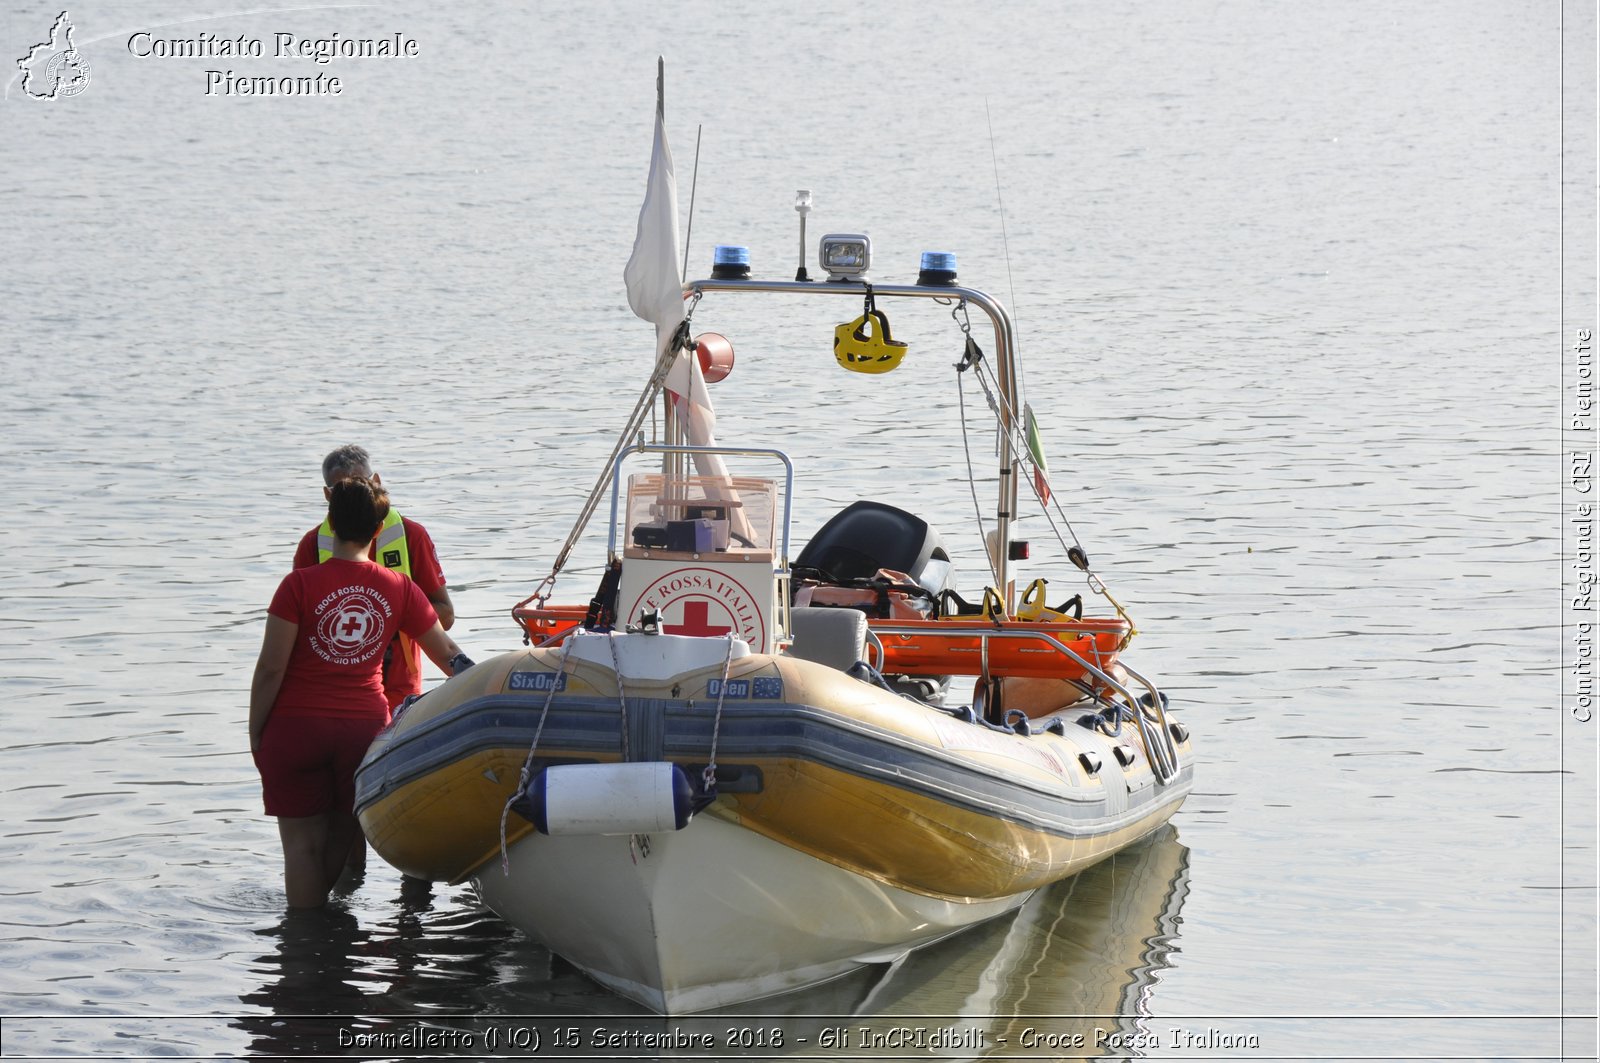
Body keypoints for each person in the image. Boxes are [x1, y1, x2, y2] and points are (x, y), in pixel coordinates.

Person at [251, 476, 474, 908]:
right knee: (342, 831)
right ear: (377, 530)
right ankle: (324, 933)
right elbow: (448, 655)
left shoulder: (296, 586)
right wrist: (492, 689)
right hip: (362, 733)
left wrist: (256, 731)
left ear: (329, 523)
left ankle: (303, 938)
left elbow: (270, 668)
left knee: (300, 846)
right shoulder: (399, 587)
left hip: (295, 729)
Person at [293, 445, 455, 711]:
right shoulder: (312, 544)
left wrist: (387, 619)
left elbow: (446, 616)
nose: (354, 498)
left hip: (399, 687)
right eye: (342, 491)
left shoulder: (412, 535)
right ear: (327, 496)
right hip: (334, 689)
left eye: (363, 485)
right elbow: (295, 633)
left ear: (377, 483)